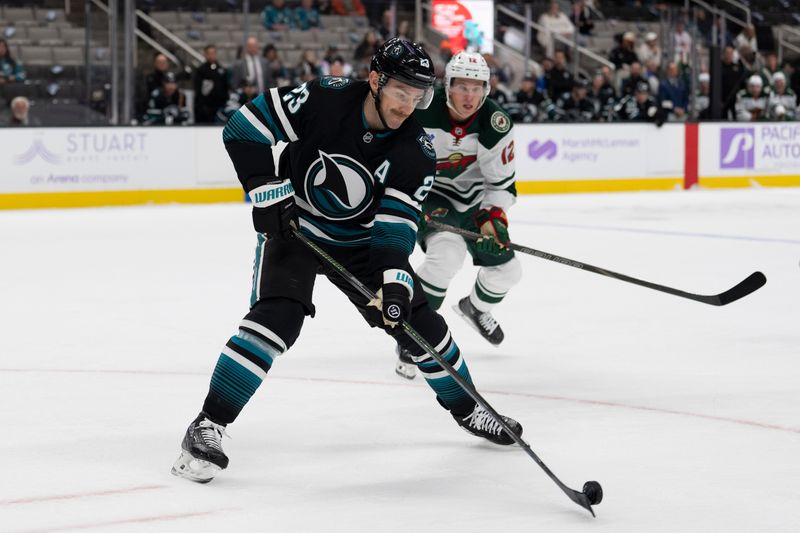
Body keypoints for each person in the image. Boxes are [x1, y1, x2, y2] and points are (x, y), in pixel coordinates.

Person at [171, 38, 523, 484]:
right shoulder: (325, 97)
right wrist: (265, 188)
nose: (407, 107)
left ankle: (471, 409)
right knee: (278, 318)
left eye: (418, 98)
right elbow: (244, 127)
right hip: (295, 230)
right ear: (375, 80)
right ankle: (207, 425)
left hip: (361, 246)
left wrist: (395, 282)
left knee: (420, 325)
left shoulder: (417, 148)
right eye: (400, 93)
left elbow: (395, 227)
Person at [393, 51, 521, 380]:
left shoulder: (495, 122)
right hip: (431, 195)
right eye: (462, 86)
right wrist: (407, 199)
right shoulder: (422, 108)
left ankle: (475, 308)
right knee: (446, 254)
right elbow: (395, 157)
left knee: (508, 271)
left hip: (476, 202)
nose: (470, 96)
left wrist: (494, 218)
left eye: (477, 88)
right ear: (447, 85)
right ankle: (412, 333)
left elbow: (502, 185)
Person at [194, 45, 230, 124]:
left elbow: (225, 87)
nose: (211, 55)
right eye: (209, 53)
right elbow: (198, 90)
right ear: (205, 55)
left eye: (213, 53)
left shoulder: (222, 70)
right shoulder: (201, 71)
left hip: (219, 106)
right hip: (205, 108)